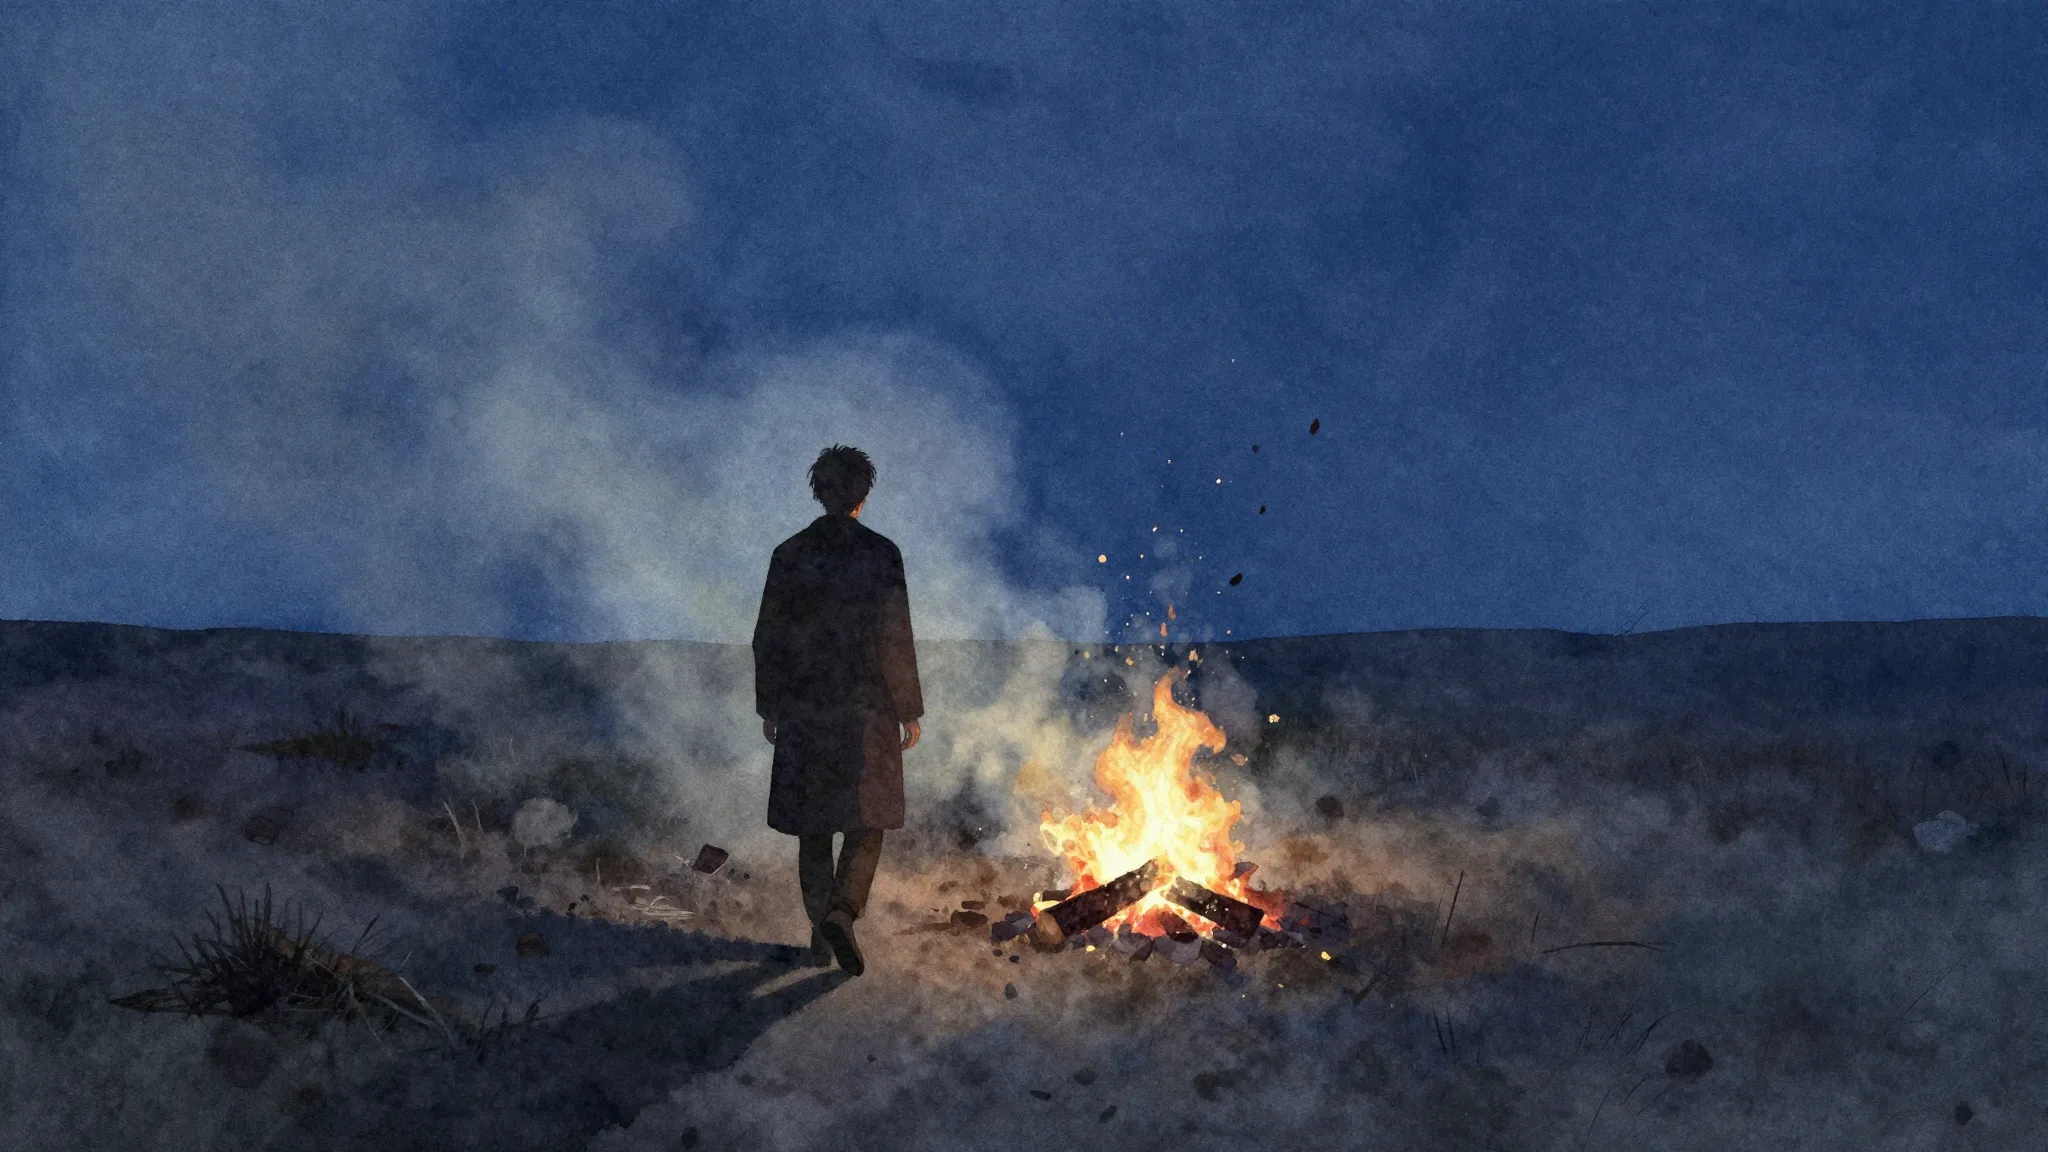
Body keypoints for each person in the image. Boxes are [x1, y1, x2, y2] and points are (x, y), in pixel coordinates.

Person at [752, 445, 923, 976]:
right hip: (867, 710)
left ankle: (820, 931)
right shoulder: (881, 554)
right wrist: (908, 709)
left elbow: (768, 637)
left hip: (805, 707)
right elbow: (894, 636)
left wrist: (771, 703)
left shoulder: (790, 553)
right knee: (867, 822)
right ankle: (843, 913)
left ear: (819, 493)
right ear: (862, 497)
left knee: (813, 825)